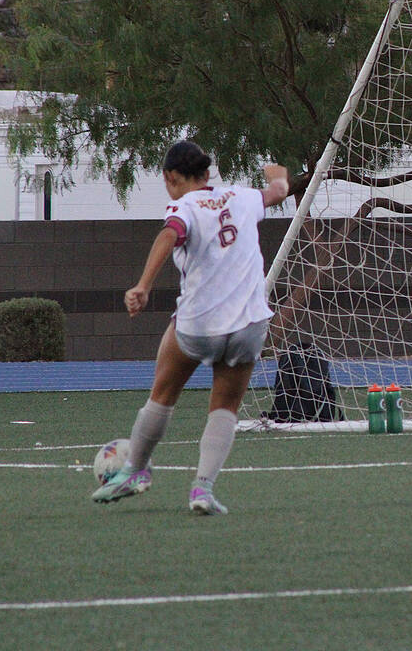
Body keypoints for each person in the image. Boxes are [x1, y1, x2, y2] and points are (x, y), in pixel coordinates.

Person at [91, 140, 289, 515]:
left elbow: (170, 234)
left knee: (162, 395)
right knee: (226, 406)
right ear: (207, 173)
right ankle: (202, 489)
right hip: (250, 324)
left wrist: (143, 285)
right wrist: (274, 168)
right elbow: (279, 190)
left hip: (200, 325)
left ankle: (135, 472)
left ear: (172, 177)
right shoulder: (242, 196)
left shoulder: (184, 206)